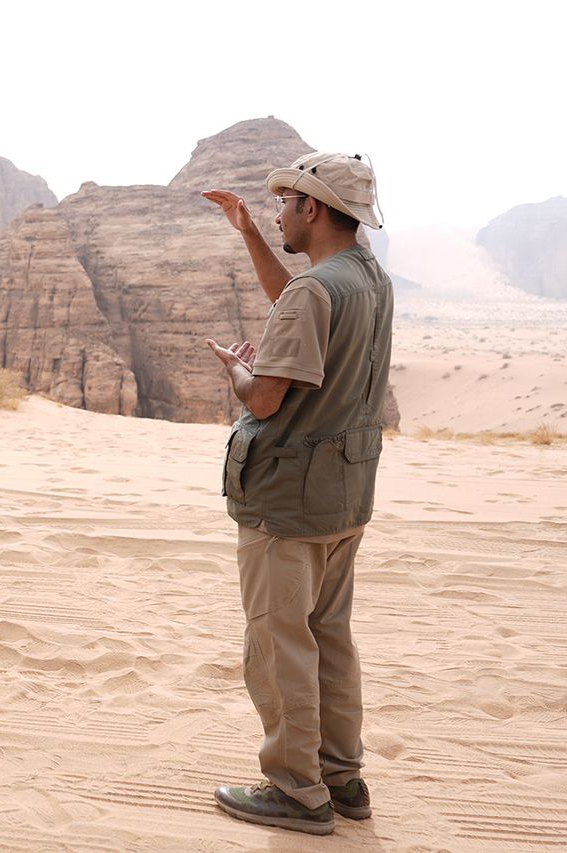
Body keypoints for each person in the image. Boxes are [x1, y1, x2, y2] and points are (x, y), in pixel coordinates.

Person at [199, 152, 392, 835]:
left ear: (312, 207)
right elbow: (300, 303)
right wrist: (250, 233)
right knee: (329, 636)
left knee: (280, 644)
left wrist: (238, 372)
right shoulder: (367, 276)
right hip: (345, 494)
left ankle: (295, 789)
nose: (278, 212)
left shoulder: (318, 289)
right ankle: (342, 777)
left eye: (283, 203)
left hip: (289, 500)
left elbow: (267, 400)